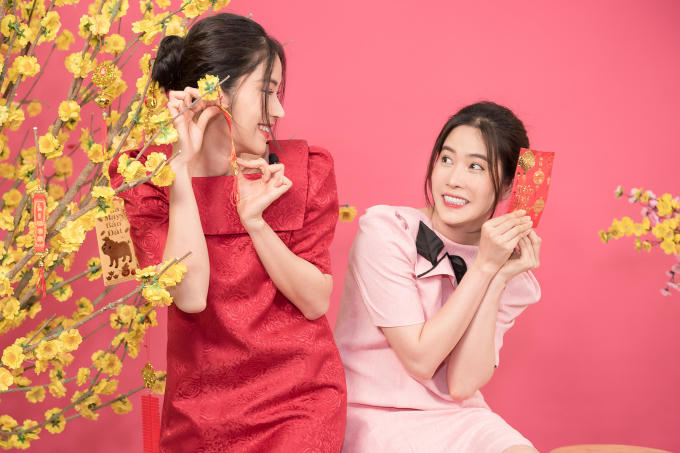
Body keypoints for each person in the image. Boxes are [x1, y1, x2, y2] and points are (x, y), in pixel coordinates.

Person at [109, 13, 346, 453]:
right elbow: (190, 296)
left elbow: (315, 301)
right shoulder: (145, 180)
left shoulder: (304, 171)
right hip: (197, 415)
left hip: (298, 402)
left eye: (278, 93)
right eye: (266, 92)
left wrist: (255, 223)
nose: (279, 111)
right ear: (215, 94)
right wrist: (180, 172)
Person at [334, 102, 542, 453]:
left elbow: (461, 385)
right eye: (446, 159)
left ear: (508, 186)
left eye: (476, 166)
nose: (453, 179)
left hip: (460, 417)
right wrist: (483, 267)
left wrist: (495, 277)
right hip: (375, 412)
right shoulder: (388, 232)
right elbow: (420, 358)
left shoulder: (506, 265)